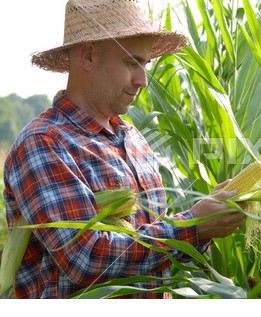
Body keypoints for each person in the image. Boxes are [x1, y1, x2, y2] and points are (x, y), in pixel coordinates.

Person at [3, 0, 246, 299]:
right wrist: (194, 226)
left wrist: (206, 222)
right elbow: (86, 258)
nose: (143, 81)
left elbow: (156, 251)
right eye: (132, 63)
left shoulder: (135, 139)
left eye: (144, 65)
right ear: (89, 56)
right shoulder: (44, 143)